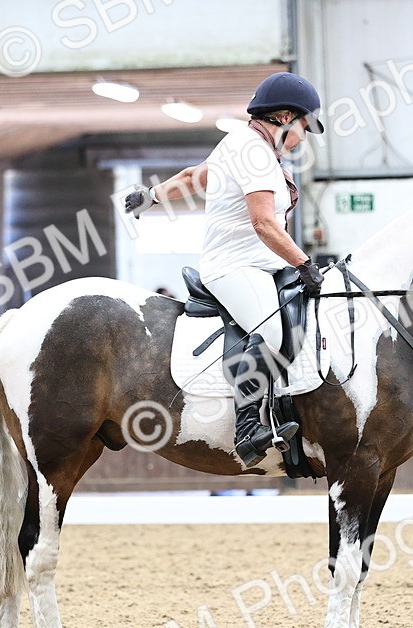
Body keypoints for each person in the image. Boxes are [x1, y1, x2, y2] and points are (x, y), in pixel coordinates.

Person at [124, 73, 327, 467]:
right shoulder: (254, 152)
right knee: (272, 332)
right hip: (236, 267)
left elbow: (192, 178)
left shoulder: (241, 144)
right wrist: (304, 263)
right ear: (285, 117)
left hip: (264, 265)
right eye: (304, 128)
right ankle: (248, 429)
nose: (303, 139)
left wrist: (151, 196)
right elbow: (263, 223)